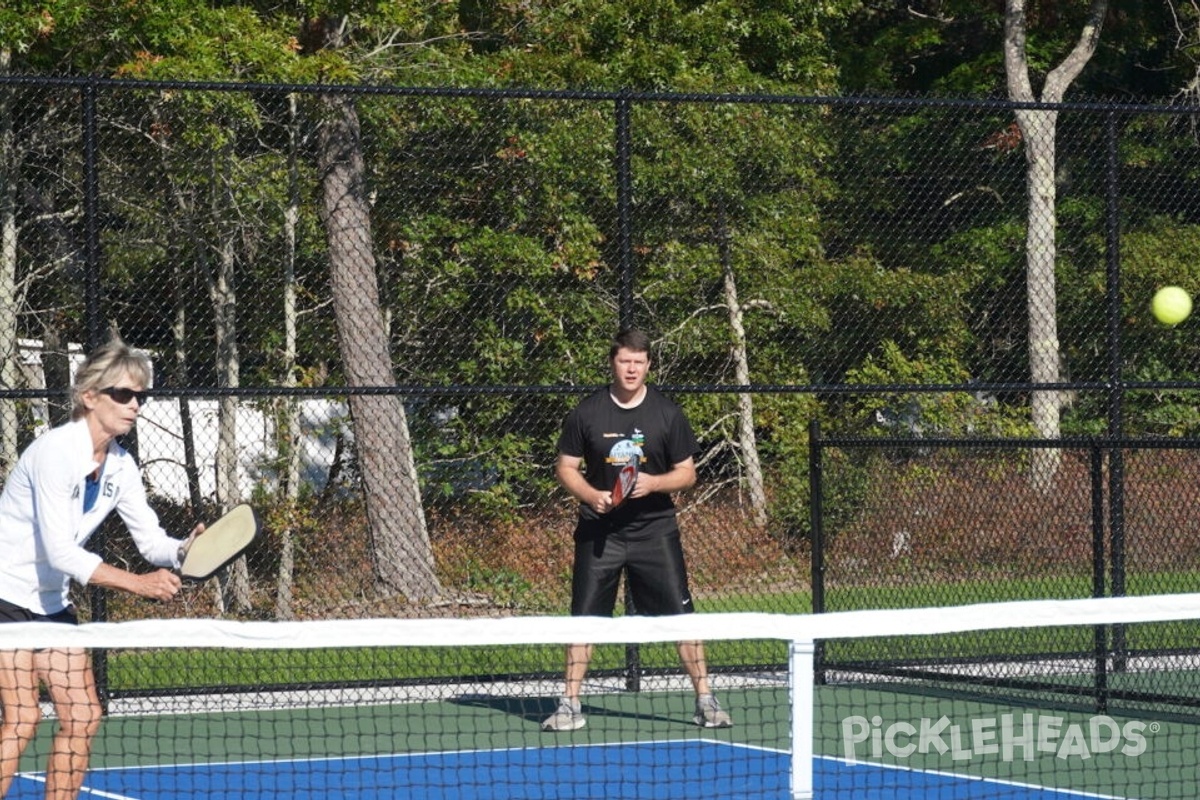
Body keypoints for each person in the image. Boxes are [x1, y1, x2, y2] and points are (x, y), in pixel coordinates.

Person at [0, 337, 202, 800]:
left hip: (51, 603)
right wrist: (138, 585)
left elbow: (152, 542)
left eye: (141, 397)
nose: (135, 405)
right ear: (90, 396)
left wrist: (184, 550)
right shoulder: (54, 453)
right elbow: (61, 553)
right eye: (123, 394)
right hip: (4, 595)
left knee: (83, 715)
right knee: (24, 717)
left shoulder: (122, 466)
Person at [542, 328, 732, 732]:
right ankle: (569, 704)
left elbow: (687, 473)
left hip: (654, 532)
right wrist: (591, 494)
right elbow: (564, 467)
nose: (631, 369)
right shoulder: (586, 413)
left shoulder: (667, 414)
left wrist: (654, 483)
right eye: (624, 361)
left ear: (648, 365)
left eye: (638, 362)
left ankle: (705, 701)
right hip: (600, 533)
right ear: (613, 363)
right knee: (583, 621)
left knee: (684, 619)